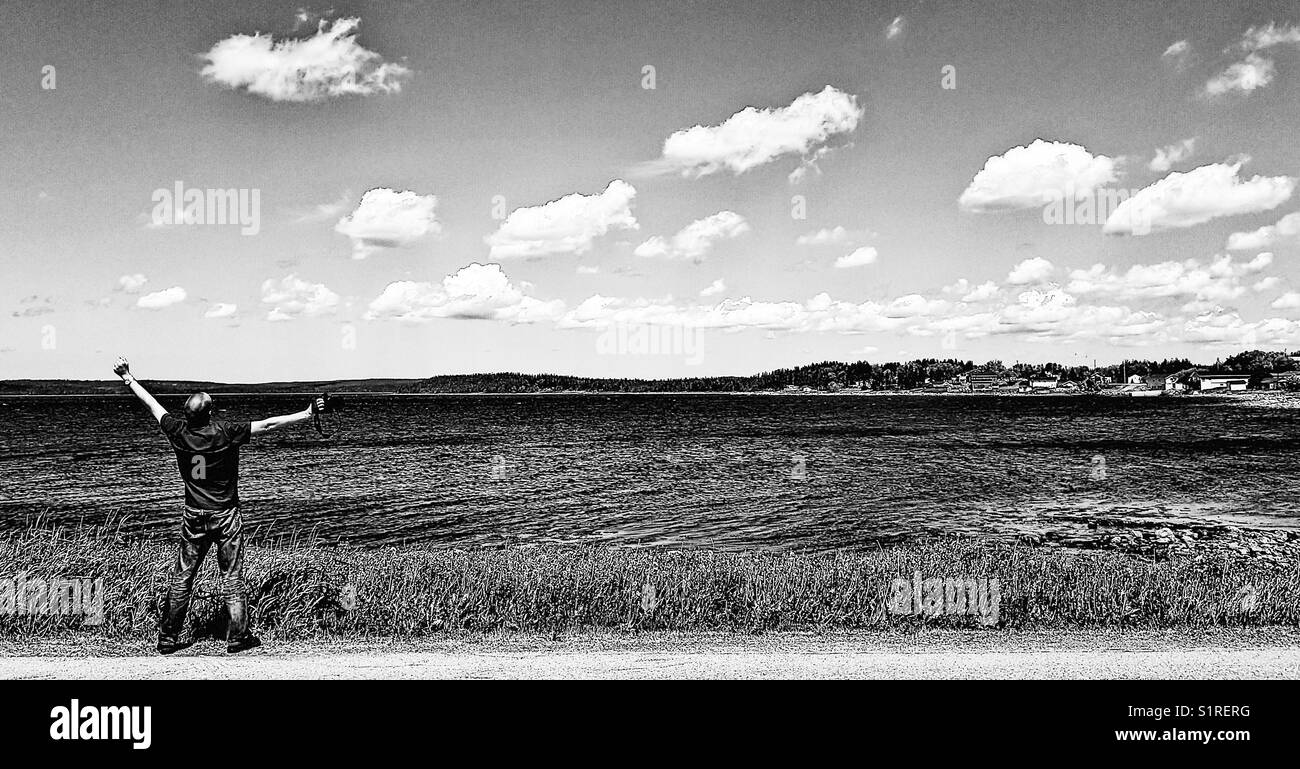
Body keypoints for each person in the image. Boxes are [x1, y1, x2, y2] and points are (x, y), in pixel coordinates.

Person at [112, 356, 323, 655]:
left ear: (188, 414)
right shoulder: (225, 432)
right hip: (226, 515)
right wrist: (306, 413)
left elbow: (153, 406)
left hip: (194, 516)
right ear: (210, 412)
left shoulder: (178, 432)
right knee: (232, 575)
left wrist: (128, 378)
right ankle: (238, 637)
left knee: (183, 575)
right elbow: (268, 424)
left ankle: (168, 637)